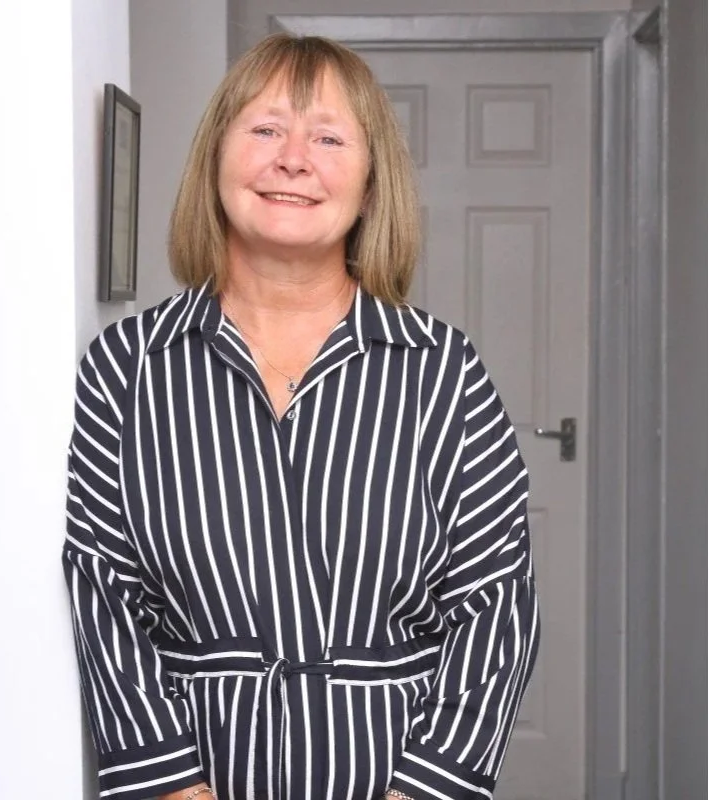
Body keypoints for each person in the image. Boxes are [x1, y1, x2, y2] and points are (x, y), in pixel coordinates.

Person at [62, 33, 539, 800]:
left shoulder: (444, 372)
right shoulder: (128, 366)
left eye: (327, 136)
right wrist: (173, 789)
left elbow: (497, 608)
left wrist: (420, 792)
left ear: (369, 178)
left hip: (397, 779)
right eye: (265, 129)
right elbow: (103, 591)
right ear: (216, 156)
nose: (293, 159)